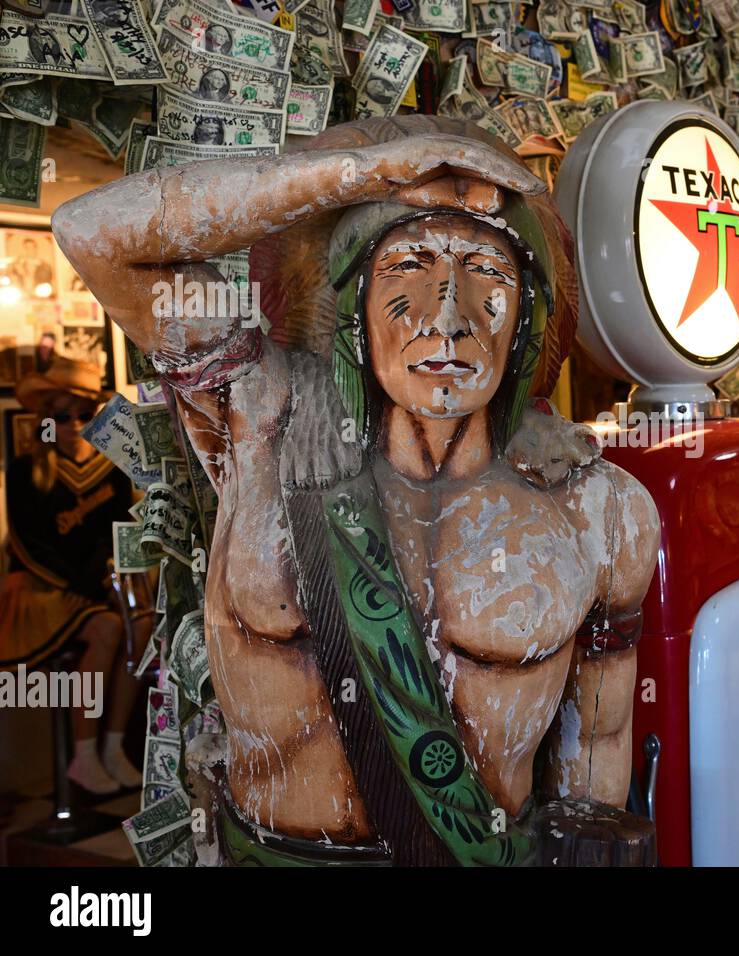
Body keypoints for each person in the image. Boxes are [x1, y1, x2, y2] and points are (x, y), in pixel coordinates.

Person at [53, 116, 659, 865]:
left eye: (489, 273)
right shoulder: (263, 421)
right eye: (408, 263)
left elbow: (596, 747)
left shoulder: (599, 510)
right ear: (352, 306)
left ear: (526, 321)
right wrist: (361, 176)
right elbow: (90, 231)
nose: (448, 318)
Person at [0, 358, 146, 794]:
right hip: (46, 590)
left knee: (142, 629)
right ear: (48, 421)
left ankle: (114, 747)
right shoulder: (28, 470)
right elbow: (28, 545)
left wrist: (109, 575)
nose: (73, 424)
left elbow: (118, 534)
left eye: (83, 414)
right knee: (105, 630)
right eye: (62, 417)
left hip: (97, 587)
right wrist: (81, 585)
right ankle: (84, 755)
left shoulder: (112, 469)